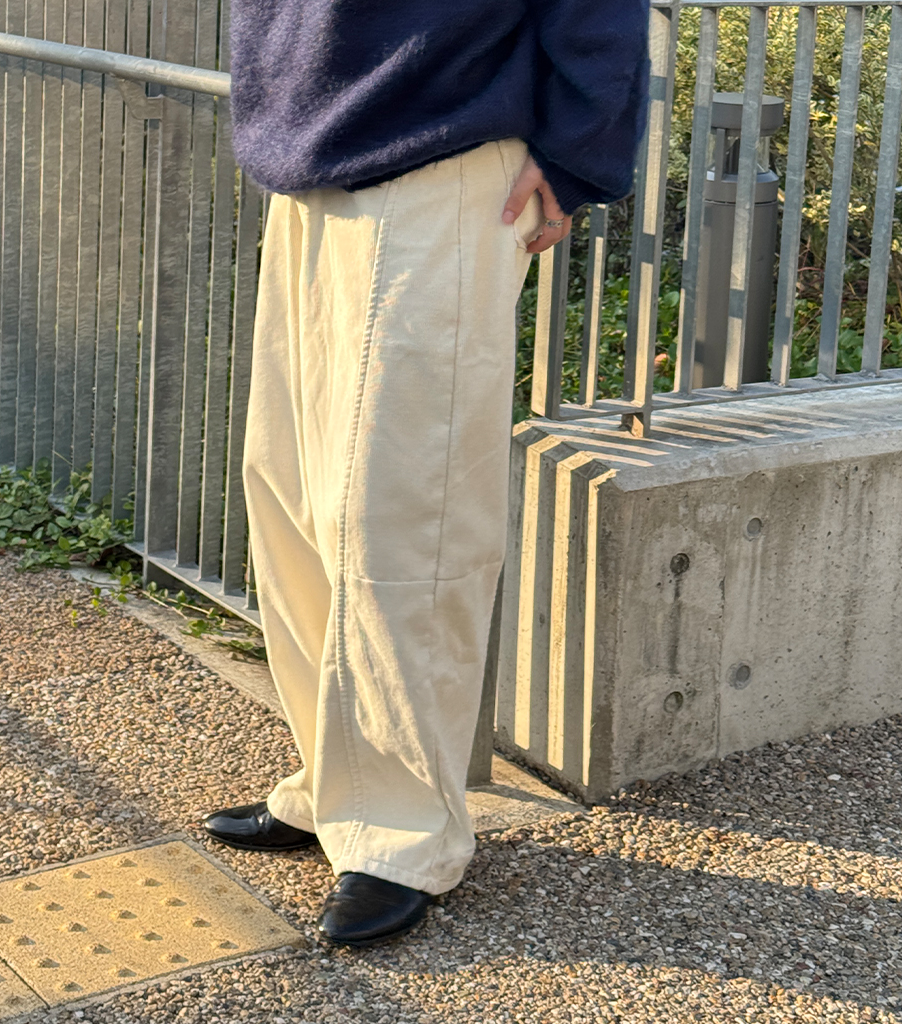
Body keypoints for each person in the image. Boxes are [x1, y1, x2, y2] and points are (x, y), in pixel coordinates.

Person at [204, 0, 651, 947]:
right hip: (316, 151)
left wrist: (577, 148)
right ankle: (336, 787)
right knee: (291, 490)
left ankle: (403, 834)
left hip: (442, 145)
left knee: (407, 507)